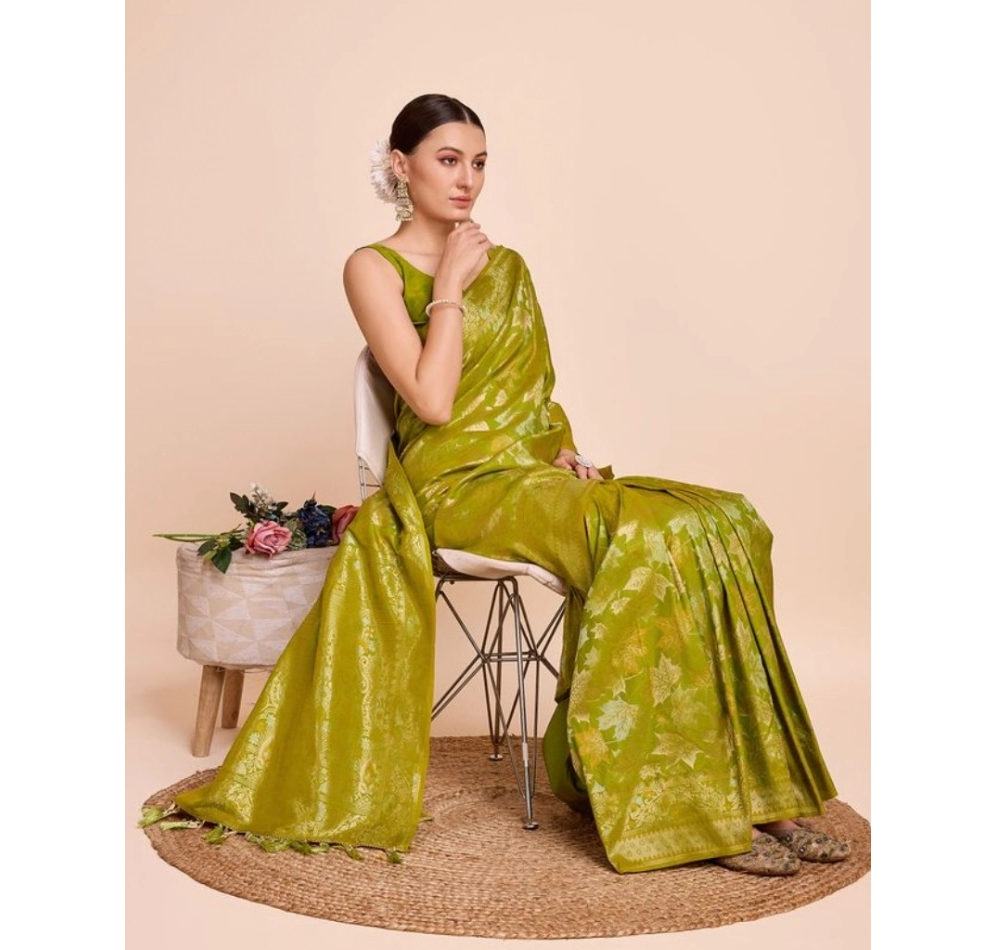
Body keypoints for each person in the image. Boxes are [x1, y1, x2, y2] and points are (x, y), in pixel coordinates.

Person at [171, 94, 850, 877]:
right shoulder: (372, 268)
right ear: (402, 166)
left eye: (480, 162)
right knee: (647, 532)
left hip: (527, 476)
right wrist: (451, 284)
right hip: (453, 485)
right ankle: (685, 812)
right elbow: (433, 402)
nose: (467, 179)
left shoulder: (513, 267)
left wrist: (561, 450)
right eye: (448, 160)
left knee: (723, 520)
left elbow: (531, 397)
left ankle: (760, 795)